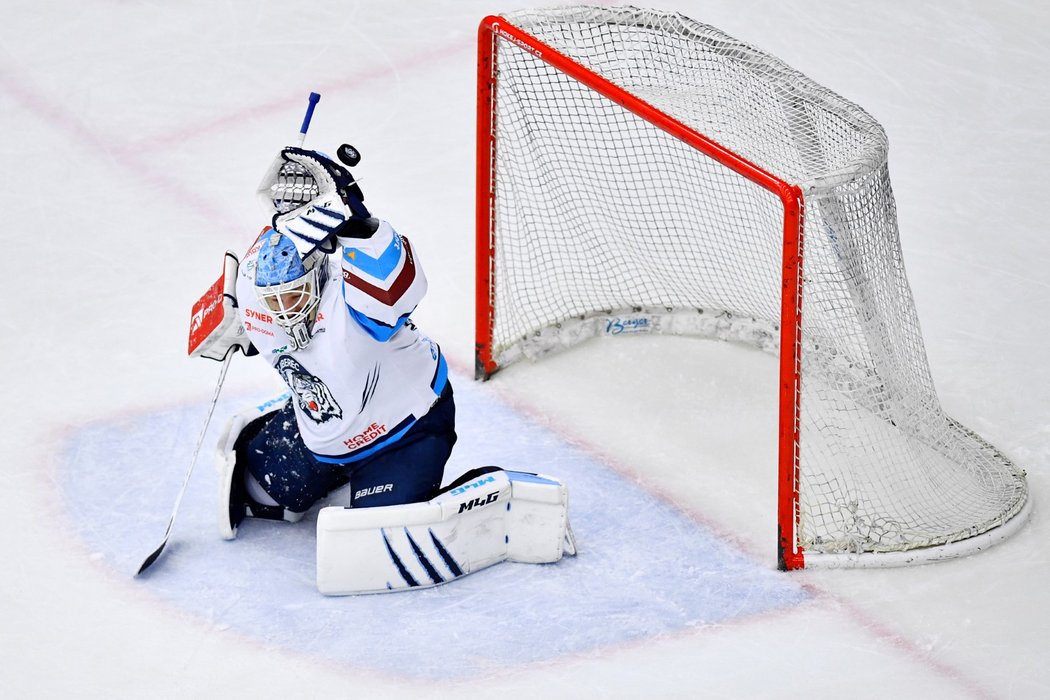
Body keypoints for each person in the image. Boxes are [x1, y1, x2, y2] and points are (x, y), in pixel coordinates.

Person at [217, 145, 457, 536]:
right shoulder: (252, 285)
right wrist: (229, 328)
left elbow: (396, 284)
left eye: (292, 296)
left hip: (405, 429)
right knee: (258, 494)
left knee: (373, 539)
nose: (283, 311)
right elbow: (234, 294)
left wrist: (356, 223)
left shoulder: (354, 301)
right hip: (324, 432)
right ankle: (330, 462)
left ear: (314, 276)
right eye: (272, 301)